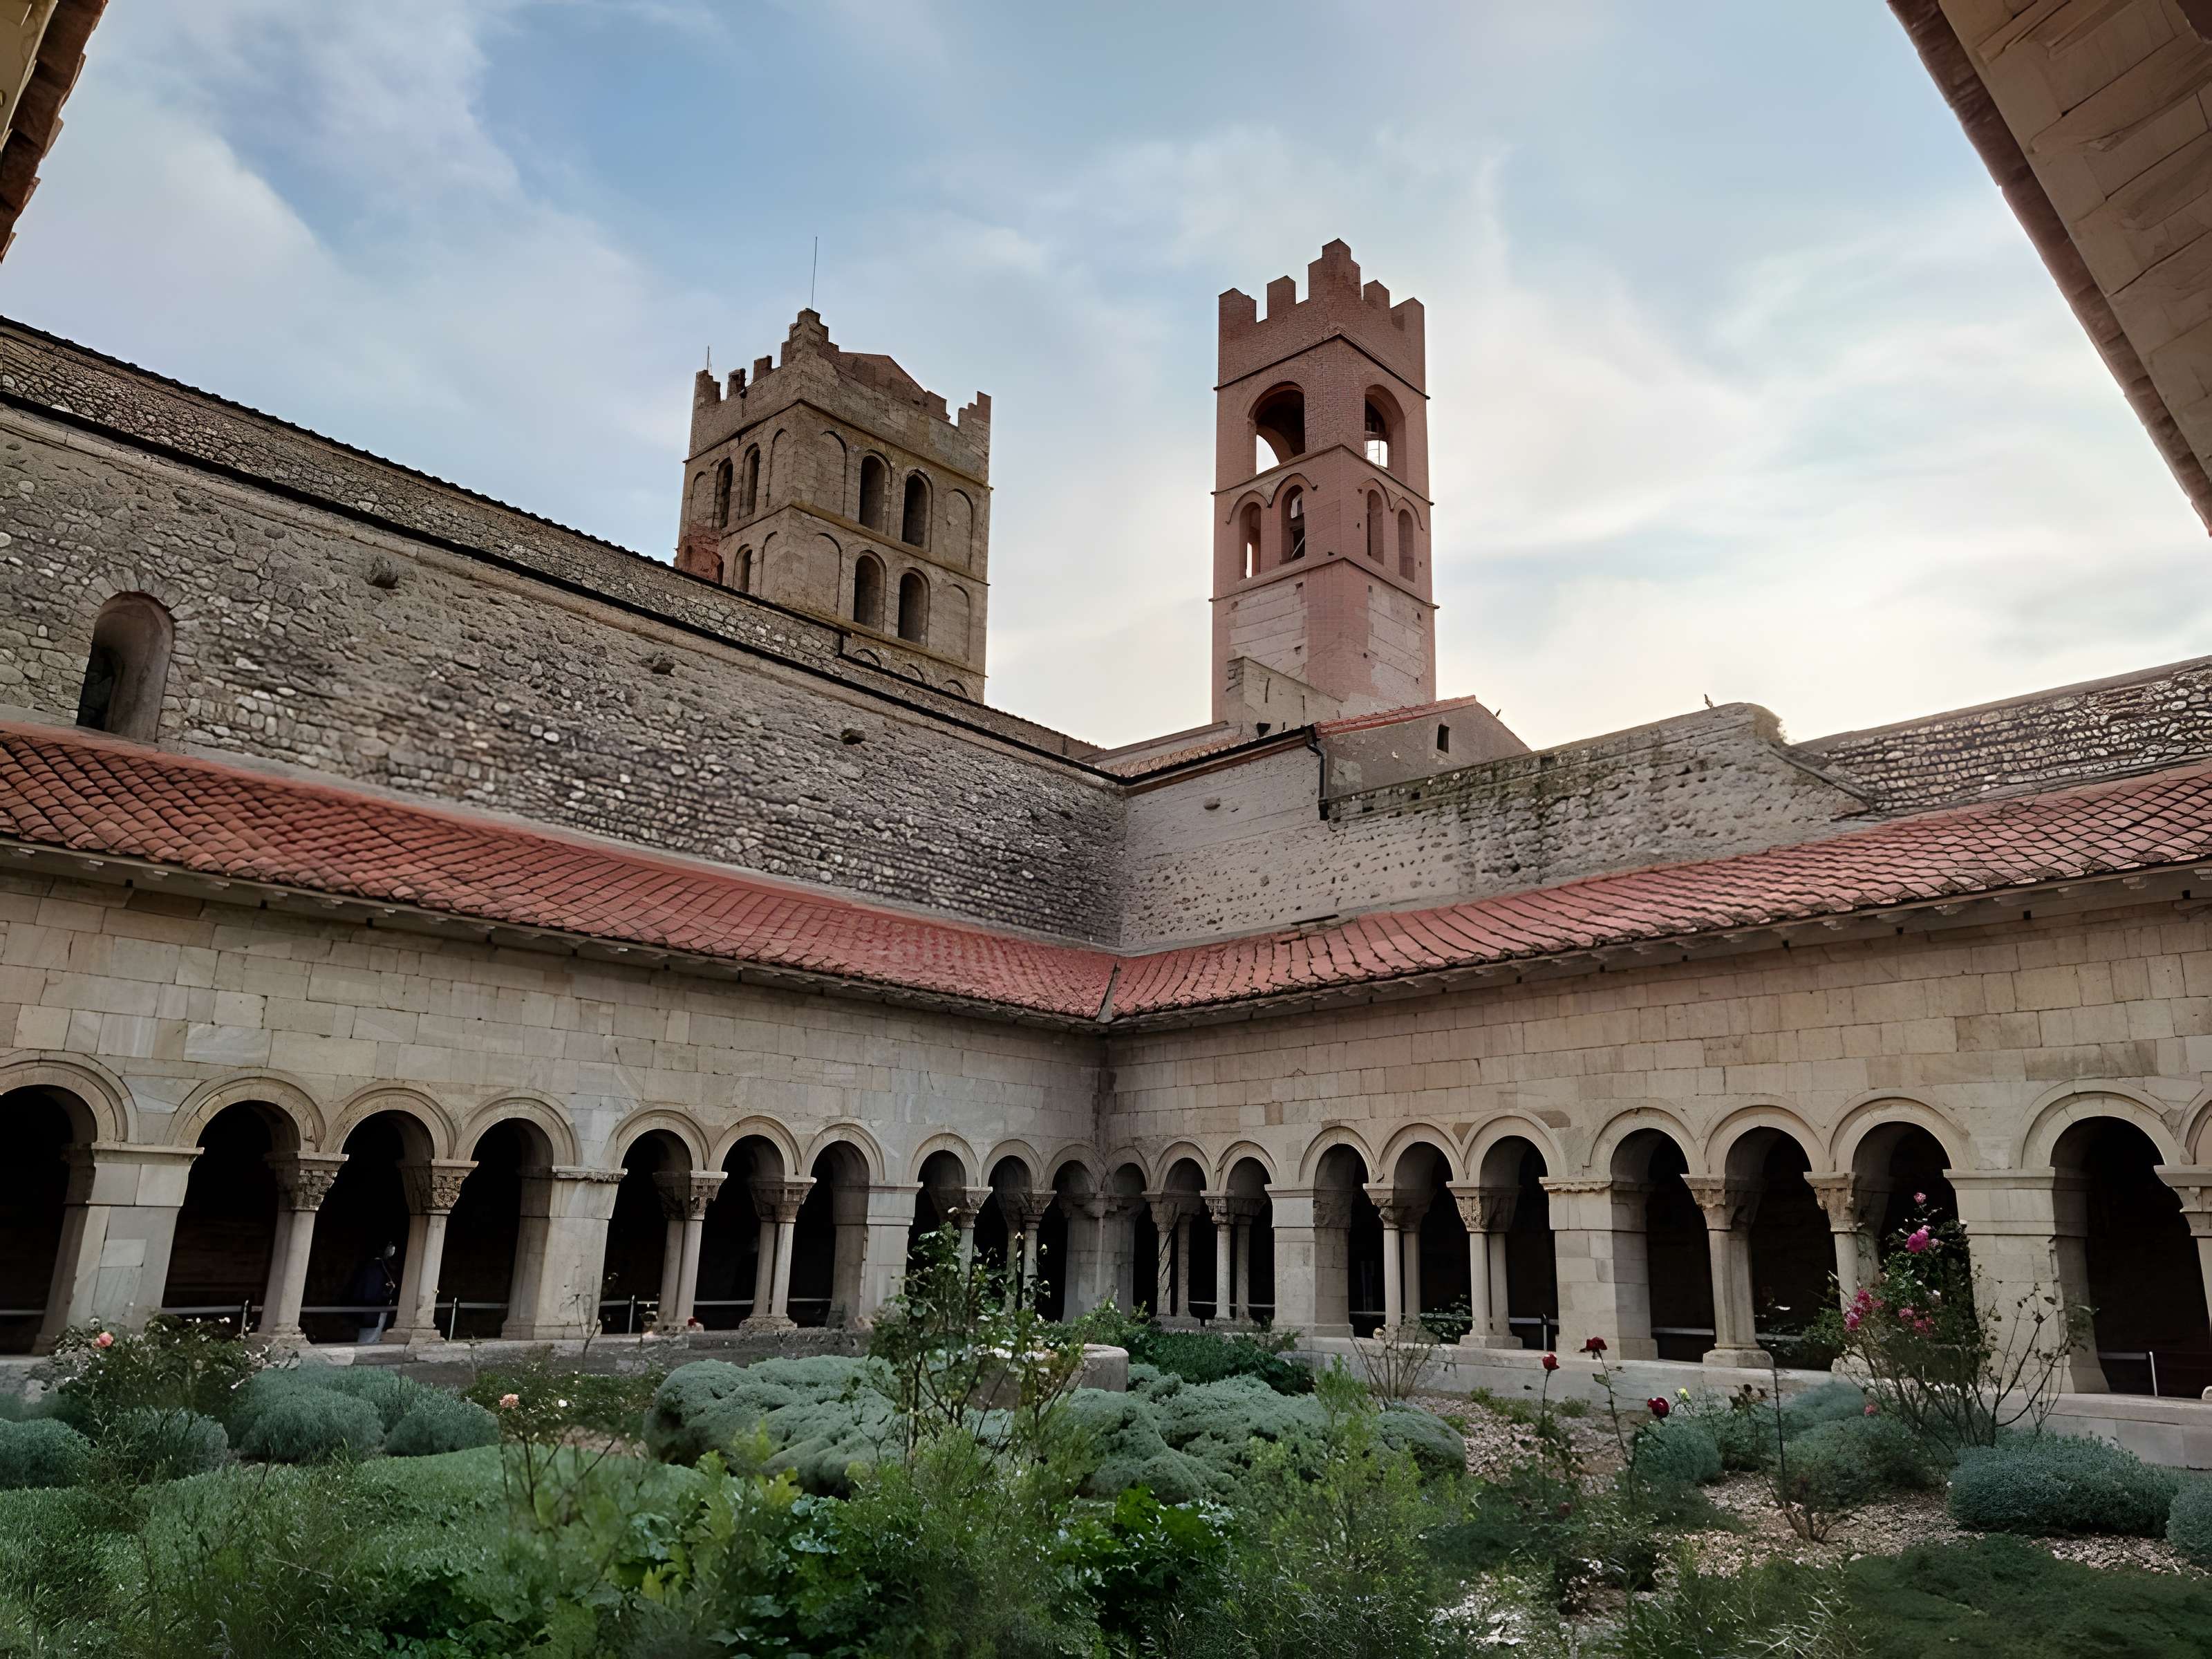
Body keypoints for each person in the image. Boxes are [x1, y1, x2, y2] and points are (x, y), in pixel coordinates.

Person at [349, 1243, 399, 1344]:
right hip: (373, 1308)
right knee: (368, 1340)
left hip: (378, 1307)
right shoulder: (375, 1267)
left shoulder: (380, 1266)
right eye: (389, 1247)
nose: (391, 1251)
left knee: (373, 1338)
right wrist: (387, 1291)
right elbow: (372, 1291)